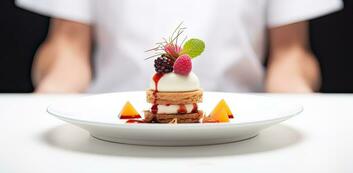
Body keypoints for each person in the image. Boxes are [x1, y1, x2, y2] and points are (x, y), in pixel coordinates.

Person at [17, 0, 343, 93]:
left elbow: (290, 54)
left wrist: (301, 112)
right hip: (110, 132)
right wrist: (45, 106)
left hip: (238, 134)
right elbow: (67, 47)